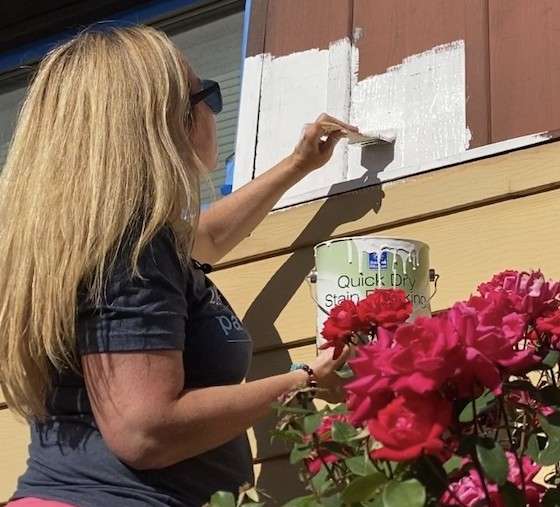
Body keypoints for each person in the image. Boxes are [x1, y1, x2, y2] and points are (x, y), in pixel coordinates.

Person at [0, 25, 354, 506]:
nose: (212, 109)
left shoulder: (95, 242)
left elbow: (206, 237)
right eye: (206, 94)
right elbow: (144, 430)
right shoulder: (132, 248)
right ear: (164, 119)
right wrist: (304, 379)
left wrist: (298, 164)